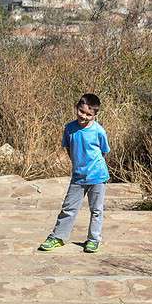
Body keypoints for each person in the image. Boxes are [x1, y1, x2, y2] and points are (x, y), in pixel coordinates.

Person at [38, 93, 110, 253]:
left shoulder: (99, 131)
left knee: (96, 209)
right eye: (81, 111)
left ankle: (94, 239)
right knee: (68, 208)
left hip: (97, 176)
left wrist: (93, 167)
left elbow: (104, 152)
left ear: (95, 115)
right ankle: (58, 237)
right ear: (77, 108)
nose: (83, 116)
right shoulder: (70, 128)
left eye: (88, 114)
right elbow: (69, 148)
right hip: (78, 176)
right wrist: (78, 165)